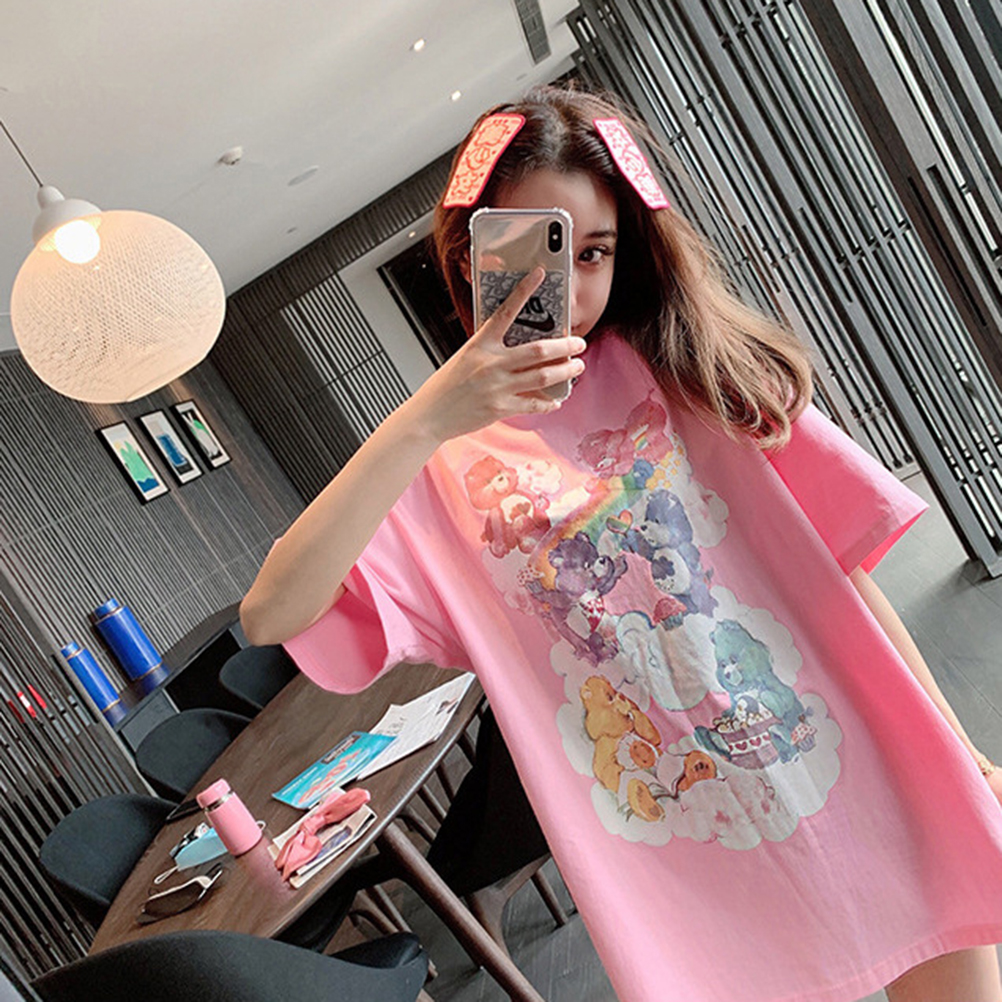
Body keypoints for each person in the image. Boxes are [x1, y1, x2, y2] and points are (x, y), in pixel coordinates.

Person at [240, 86, 1002, 1002]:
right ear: (473, 257)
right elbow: (273, 612)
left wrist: (959, 751)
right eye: (534, 250)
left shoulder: (689, 363)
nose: (565, 287)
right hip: (686, 864)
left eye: (592, 252)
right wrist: (426, 417)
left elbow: (840, 575)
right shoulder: (437, 471)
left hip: (860, 769)